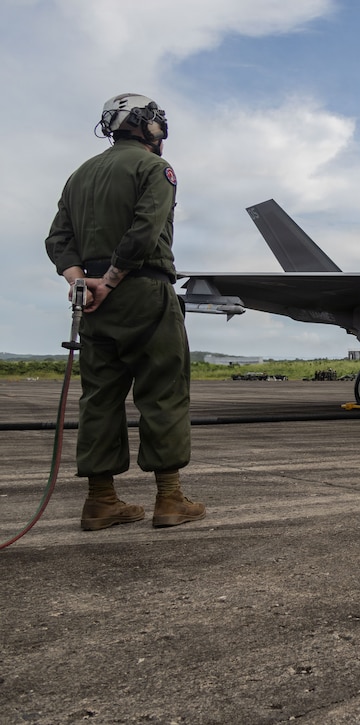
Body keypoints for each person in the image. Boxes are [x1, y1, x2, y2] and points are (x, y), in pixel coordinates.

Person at [45, 93, 205, 530]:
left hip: (93, 303)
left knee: (99, 399)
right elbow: (144, 230)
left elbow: (58, 239)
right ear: (147, 125)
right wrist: (112, 279)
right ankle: (170, 499)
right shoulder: (155, 168)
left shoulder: (79, 175)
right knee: (163, 391)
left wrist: (82, 282)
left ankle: (100, 501)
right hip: (142, 291)